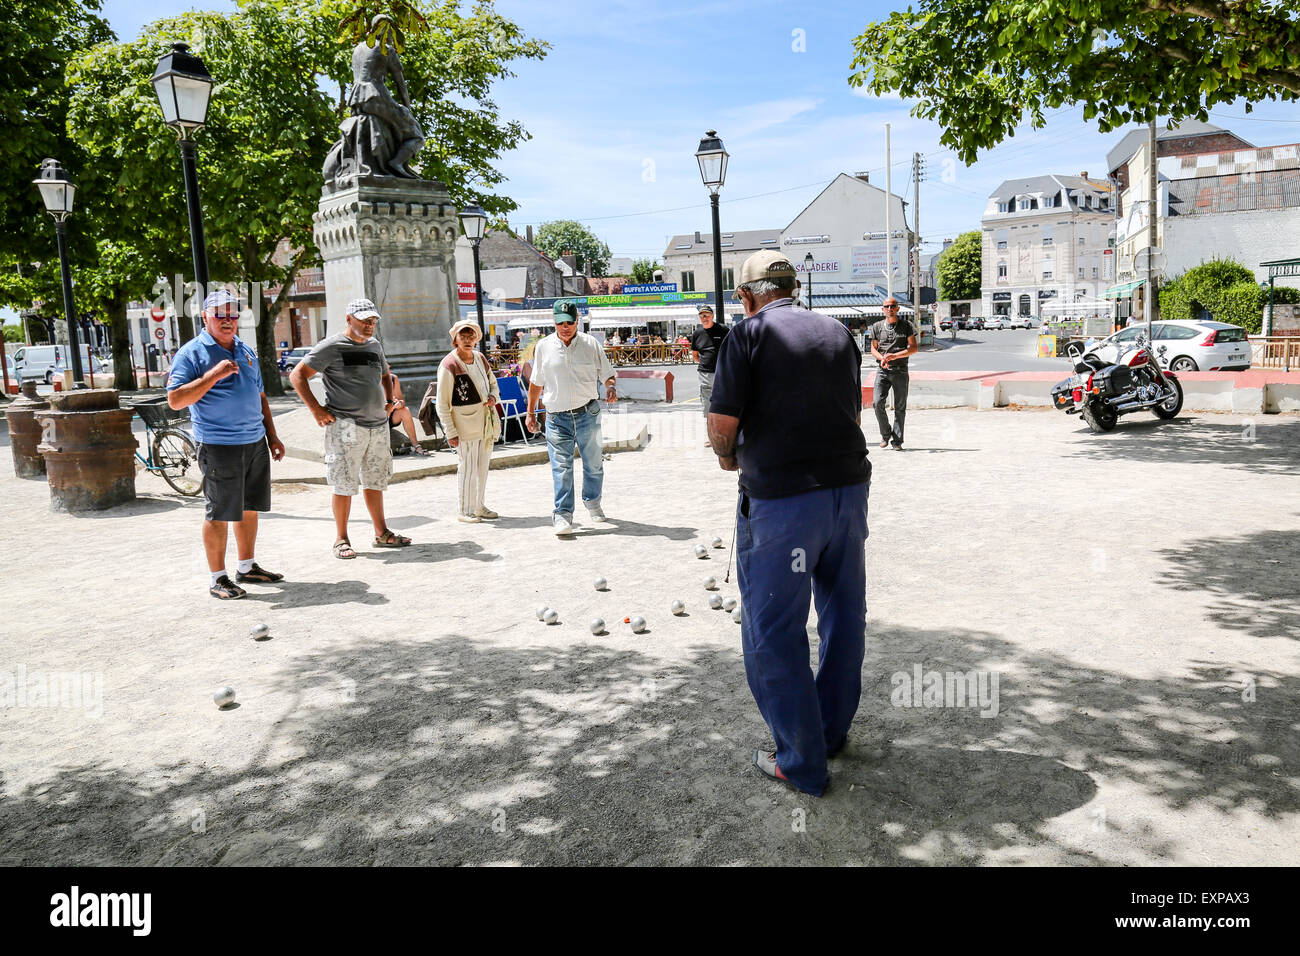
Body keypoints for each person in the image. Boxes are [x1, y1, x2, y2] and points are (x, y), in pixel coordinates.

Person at [707, 250, 870, 797]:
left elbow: (721, 422)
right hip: (848, 489)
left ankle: (800, 762)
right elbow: (853, 409)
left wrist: (728, 458)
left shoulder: (746, 335)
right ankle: (828, 732)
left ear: (748, 294)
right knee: (843, 614)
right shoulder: (838, 331)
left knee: (773, 629)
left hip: (782, 498)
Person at [166, 289, 286, 600]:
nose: (228, 319)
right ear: (205, 317)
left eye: (233, 314)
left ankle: (246, 567)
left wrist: (271, 436)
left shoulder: (245, 350)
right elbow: (176, 399)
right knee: (218, 513)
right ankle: (217, 578)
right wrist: (213, 375)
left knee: (250, 509)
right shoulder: (191, 353)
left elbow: (260, 397)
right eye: (220, 313)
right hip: (219, 444)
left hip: (254, 441)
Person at [289, 297, 411, 558]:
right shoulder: (332, 346)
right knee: (343, 483)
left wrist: (389, 401)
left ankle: (382, 532)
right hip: (345, 425)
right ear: (348, 319)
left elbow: (386, 374)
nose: (369, 325)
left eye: (373, 321)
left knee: (375, 479)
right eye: (364, 320)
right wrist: (316, 410)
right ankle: (341, 538)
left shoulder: (374, 345)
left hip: (377, 426)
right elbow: (297, 375)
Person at [526, 299, 617, 536]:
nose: (565, 326)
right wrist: (530, 413)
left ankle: (593, 501)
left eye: (569, 322)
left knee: (594, 465)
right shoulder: (543, 347)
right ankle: (563, 515)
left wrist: (611, 387)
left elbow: (608, 374)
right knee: (562, 468)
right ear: (554, 322)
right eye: (560, 322)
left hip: (588, 413)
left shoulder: (591, 344)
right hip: (556, 418)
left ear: (577, 321)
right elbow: (536, 383)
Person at [436, 319, 501, 522]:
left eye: (471, 336)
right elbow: (442, 403)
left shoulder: (480, 358)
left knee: (482, 466)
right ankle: (465, 510)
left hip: (485, 422)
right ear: (455, 339)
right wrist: (451, 431)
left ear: (476, 339)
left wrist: (493, 397)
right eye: (462, 336)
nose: (467, 340)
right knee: (468, 467)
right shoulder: (449, 364)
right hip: (464, 425)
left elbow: (493, 384)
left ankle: (479, 505)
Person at [869, 298, 917, 450]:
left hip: (900, 370)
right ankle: (885, 434)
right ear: (882, 309)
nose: (889, 308)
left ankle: (897, 441)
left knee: (899, 407)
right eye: (886, 306)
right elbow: (873, 349)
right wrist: (882, 357)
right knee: (877, 403)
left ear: (897, 308)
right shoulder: (876, 327)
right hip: (882, 370)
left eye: (892, 306)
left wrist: (895, 356)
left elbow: (914, 347)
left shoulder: (906, 326)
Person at [689, 304, 728, 438]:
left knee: (724, 404)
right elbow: (695, 356)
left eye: (707, 315)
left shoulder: (723, 330)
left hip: (723, 373)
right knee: (707, 407)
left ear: (712, 316)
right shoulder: (697, 333)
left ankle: (725, 435)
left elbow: (731, 348)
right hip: (705, 374)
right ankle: (710, 437)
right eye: (702, 316)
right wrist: (706, 364)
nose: (704, 318)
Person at [386, 371, 428, 455]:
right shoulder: (368, 380)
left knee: (405, 410)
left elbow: (401, 400)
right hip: (375, 417)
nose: (388, 368)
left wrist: (399, 404)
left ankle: (415, 445)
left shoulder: (393, 378)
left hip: (390, 416)